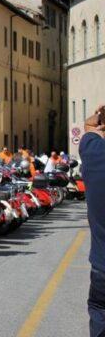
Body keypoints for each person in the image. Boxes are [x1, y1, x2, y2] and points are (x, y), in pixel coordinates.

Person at [81, 104, 105, 337]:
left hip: (102, 265)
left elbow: (88, 127)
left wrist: (99, 117)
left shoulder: (92, 152)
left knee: (100, 312)